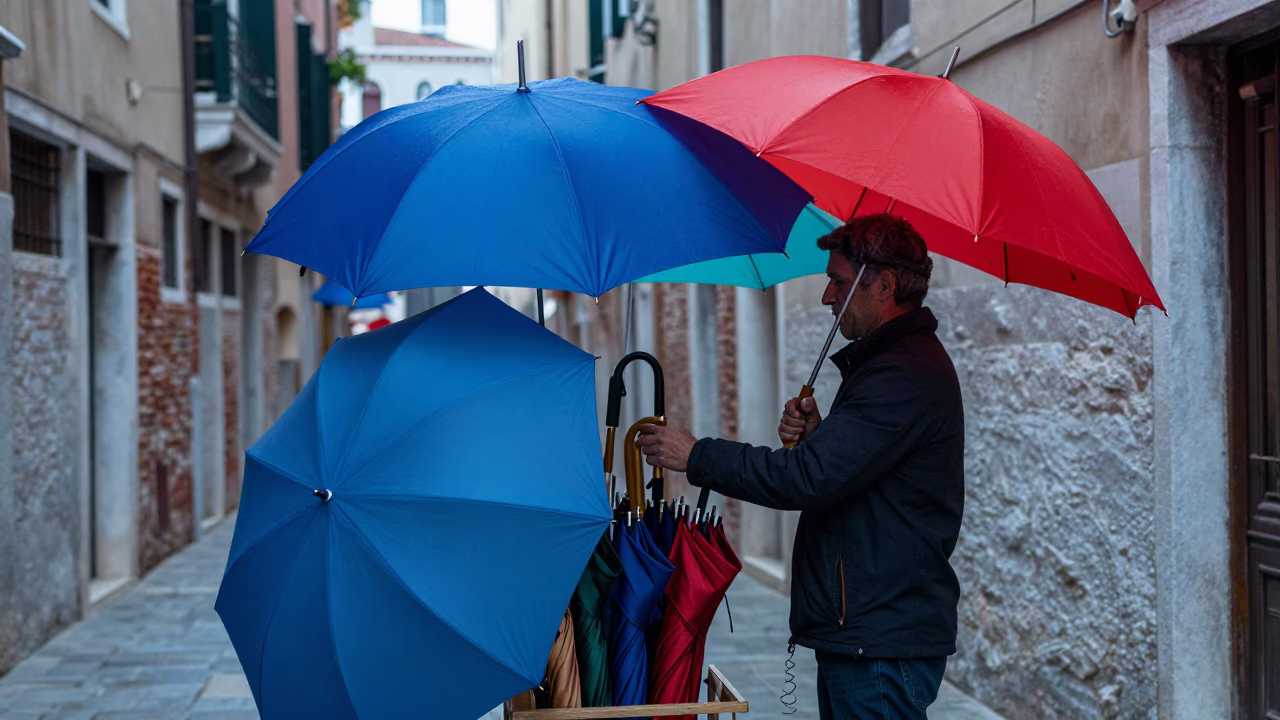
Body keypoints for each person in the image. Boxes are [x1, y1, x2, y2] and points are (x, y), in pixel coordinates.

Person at [635, 213, 964, 719]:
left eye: (837, 281)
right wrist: (820, 435)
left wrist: (696, 455)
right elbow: (853, 471)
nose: (827, 297)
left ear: (885, 285)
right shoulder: (890, 366)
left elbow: (805, 478)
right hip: (867, 635)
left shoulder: (903, 374)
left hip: (880, 641)